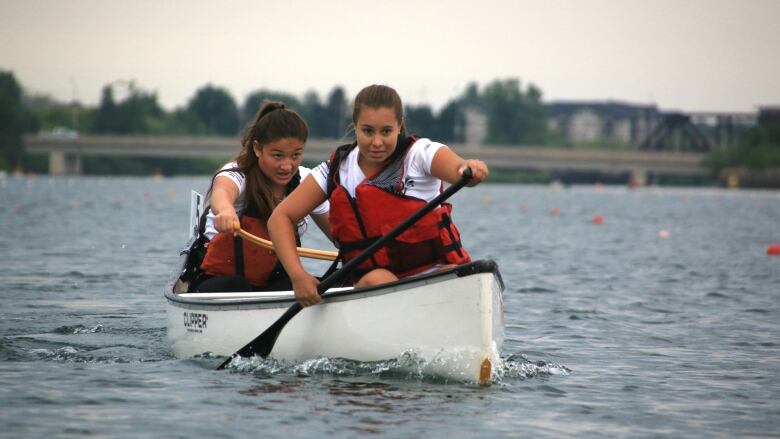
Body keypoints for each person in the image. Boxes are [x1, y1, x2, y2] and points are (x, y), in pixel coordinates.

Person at [268, 84, 488, 307]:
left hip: (434, 275)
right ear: (355, 127)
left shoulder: (419, 154)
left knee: (458, 275)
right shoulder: (335, 170)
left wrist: (469, 169)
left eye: (386, 131)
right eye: (368, 131)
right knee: (379, 278)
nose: (377, 142)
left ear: (399, 126)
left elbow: (458, 168)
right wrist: (298, 277)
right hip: (376, 286)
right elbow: (280, 218)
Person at [192, 101, 330, 293]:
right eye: (277, 155)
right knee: (238, 286)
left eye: (296, 155)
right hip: (220, 279)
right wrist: (225, 211)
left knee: (328, 283)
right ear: (257, 148)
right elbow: (222, 193)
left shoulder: (307, 181)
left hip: (274, 281)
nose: (287, 166)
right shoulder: (238, 173)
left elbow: (339, 234)